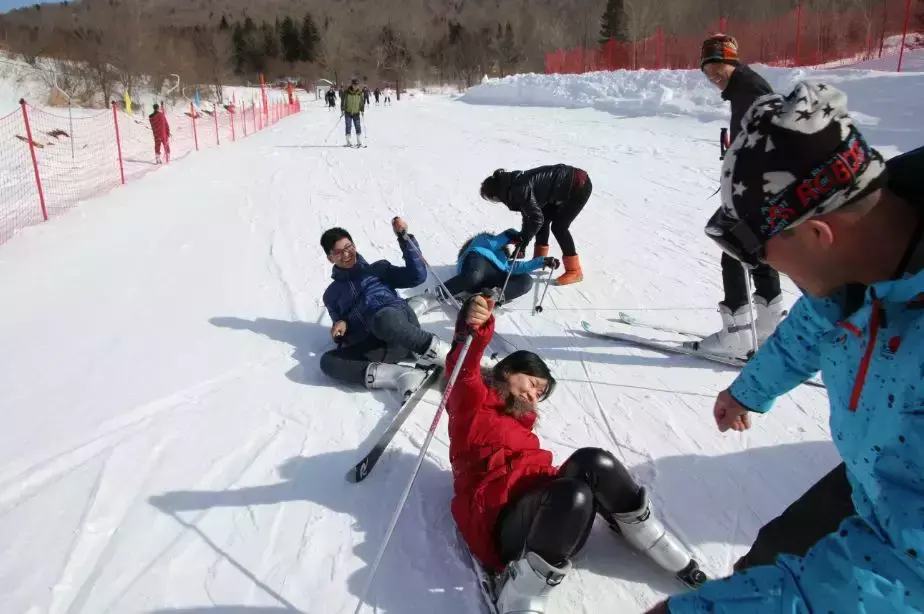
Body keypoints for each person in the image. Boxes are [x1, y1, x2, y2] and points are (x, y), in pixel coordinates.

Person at [646, 82, 924, 614]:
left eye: (763, 252)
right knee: (772, 555)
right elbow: (814, 324)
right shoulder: (868, 261)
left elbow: (905, 577)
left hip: (903, 531)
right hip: (877, 478)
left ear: (819, 234)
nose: (766, 269)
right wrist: (750, 390)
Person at [447, 295, 706, 614]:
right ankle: (518, 591)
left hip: (551, 519)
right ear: (508, 370)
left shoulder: (520, 423)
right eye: (532, 383)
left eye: (539, 393)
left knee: (593, 461)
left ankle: (646, 534)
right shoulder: (472, 403)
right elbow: (464, 365)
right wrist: (472, 327)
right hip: (502, 529)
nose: (532, 395)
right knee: (573, 494)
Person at [698, 33, 783, 357]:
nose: (713, 75)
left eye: (718, 66)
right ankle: (770, 321)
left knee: (732, 247)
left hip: (756, 190)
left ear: (732, 60)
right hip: (758, 188)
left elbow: (769, 139)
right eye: (708, 69)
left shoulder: (750, 90)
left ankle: (736, 333)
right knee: (755, 248)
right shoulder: (744, 89)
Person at [319, 217, 451, 399]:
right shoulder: (331, 295)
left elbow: (416, 276)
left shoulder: (378, 269)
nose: (346, 254)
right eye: (338, 252)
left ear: (354, 245)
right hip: (379, 345)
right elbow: (340, 331)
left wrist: (405, 239)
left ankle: (447, 354)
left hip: (396, 320)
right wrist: (341, 324)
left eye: (348, 247)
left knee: (383, 319)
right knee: (328, 362)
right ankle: (402, 375)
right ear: (330, 258)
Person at [479, 165, 592, 286]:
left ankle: (575, 271)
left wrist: (524, 241)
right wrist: (522, 244)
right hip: (562, 186)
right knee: (543, 215)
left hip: (579, 185)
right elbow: (528, 214)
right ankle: (540, 258)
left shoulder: (518, 189)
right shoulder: (510, 184)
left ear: (496, 194)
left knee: (559, 227)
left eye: (493, 199)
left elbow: (536, 219)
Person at [407, 229, 559, 316]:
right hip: (477, 263)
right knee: (474, 276)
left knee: (526, 280)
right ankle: (430, 297)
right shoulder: (481, 244)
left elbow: (518, 267)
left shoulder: (504, 260)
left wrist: (543, 261)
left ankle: (486, 299)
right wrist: (507, 236)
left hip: (491, 279)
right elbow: (491, 243)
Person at [341, 78, 365, 147]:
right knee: (348, 126)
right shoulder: (346, 92)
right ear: (352, 84)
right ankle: (348, 142)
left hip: (356, 112)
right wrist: (342, 110)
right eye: (354, 84)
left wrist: (362, 110)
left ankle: (359, 141)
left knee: (358, 126)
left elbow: (361, 102)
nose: (356, 86)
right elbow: (343, 101)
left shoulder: (360, 93)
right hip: (348, 112)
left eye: (357, 85)